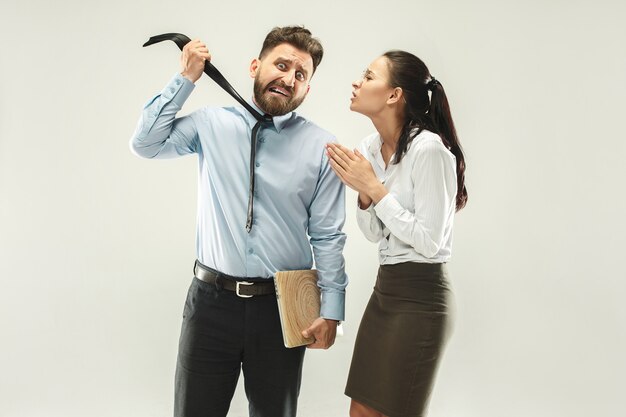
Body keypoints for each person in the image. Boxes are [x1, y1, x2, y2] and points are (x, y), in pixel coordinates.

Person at [130, 26, 347, 417]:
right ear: (255, 66)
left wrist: (332, 308)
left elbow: (328, 235)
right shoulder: (211, 123)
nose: (289, 78)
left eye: (301, 75)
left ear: (307, 90)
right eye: (281, 65)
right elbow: (146, 143)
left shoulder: (322, 148)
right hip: (210, 305)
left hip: (283, 309)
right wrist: (186, 79)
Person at [326, 50, 467, 417]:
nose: (358, 82)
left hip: (422, 299)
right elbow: (374, 233)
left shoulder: (430, 150)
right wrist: (364, 193)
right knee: (360, 412)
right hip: (385, 291)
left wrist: (375, 188)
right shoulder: (369, 149)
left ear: (394, 95)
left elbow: (428, 241)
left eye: (369, 76)